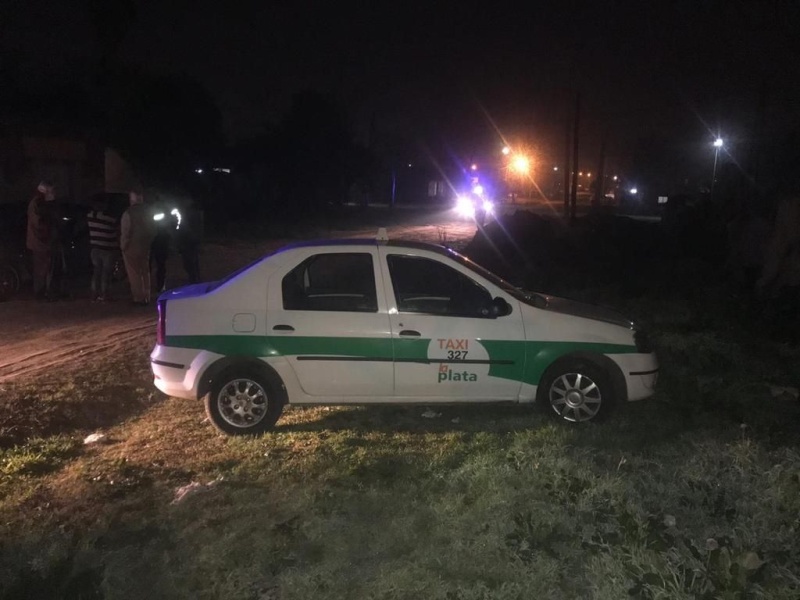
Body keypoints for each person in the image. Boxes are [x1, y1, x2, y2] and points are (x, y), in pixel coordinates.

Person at [25, 180, 59, 300]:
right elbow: (39, 224)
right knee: (41, 269)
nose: (53, 194)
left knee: (46, 269)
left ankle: (46, 292)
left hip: (44, 242)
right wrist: (49, 230)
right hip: (40, 243)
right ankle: (40, 293)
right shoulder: (36, 204)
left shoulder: (42, 203)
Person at [120, 190, 155, 305]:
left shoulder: (128, 213)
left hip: (131, 246)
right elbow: (153, 229)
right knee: (145, 270)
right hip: (145, 245)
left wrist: (123, 245)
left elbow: (126, 232)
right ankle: (147, 295)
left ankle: (138, 297)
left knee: (134, 273)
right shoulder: (148, 212)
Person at [86, 197, 119, 302]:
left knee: (96, 271)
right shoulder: (109, 218)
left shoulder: (89, 216)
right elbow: (116, 230)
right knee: (106, 272)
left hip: (95, 248)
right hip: (108, 248)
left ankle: (94, 294)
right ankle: (105, 294)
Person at [176, 198, 203, 284]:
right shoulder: (190, 213)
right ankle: (195, 279)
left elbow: (185, 228)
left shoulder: (190, 214)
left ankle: (194, 280)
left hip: (189, 240)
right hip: (189, 240)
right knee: (192, 261)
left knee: (190, 262)